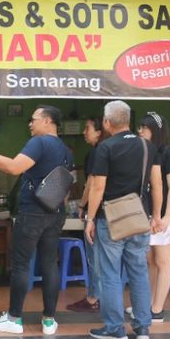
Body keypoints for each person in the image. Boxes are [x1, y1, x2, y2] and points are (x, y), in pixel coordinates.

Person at [0, 106, 72, 335]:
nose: (29, 124)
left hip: (32, 213)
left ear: (47, 121)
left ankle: (14, 319)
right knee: (49, 264)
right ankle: (48, 321)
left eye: (32, 119)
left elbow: (14, 167)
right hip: (55, 214)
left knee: (22, 264)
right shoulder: (66, 150)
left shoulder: (39, 143)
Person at [84, 100, 162, 339]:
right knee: (138, 271)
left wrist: (90, 218)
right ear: (128, 120)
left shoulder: (105, 148)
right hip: (140, 217)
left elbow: (98, 187)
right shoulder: (147, 146)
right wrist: (156, 215)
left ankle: (115, 328)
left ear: (107, 123)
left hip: (112, 219)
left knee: (110, 274)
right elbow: (157, 183)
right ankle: (142, 328)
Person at [132, 113, 170, 323]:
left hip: (164, 217)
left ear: (156, 130)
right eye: (140, 127)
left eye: (144, 127)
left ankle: (157, 309)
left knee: (162, 262)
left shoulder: (168, 153)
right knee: (150, 260)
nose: (140, 131)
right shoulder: (145, 152)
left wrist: (166, 217)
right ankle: (147, 303)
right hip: (150, 215)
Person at [67, 116, 106, 313]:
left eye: (88, 128)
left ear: (99, 131)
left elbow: (92, 182)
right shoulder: (112, 149)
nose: (84, 132)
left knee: (94, 258)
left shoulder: (96, 152)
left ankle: (93, 298)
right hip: (111, 213)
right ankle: (103, 298)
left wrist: (82, 205)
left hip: (96, 213)